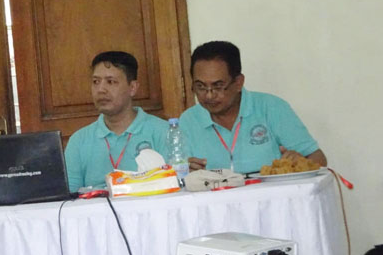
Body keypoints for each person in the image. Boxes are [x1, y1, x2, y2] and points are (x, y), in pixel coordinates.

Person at [180, 41, 327, 174]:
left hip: (272, 195)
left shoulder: (271, 107)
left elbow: (318, 158)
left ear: (238, 82)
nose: (209, 95)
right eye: (200, 87)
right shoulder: (188, 120)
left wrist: (301, 163)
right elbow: (176, 174)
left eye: (218, 86)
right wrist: (184, 172)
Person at [64, 51, 169, 192]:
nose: (101, 90)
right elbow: (68, 197)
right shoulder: (79, 141)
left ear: (133, 88)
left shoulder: (164, 132)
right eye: (96, 82)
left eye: (110, 82)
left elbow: (174, 187)